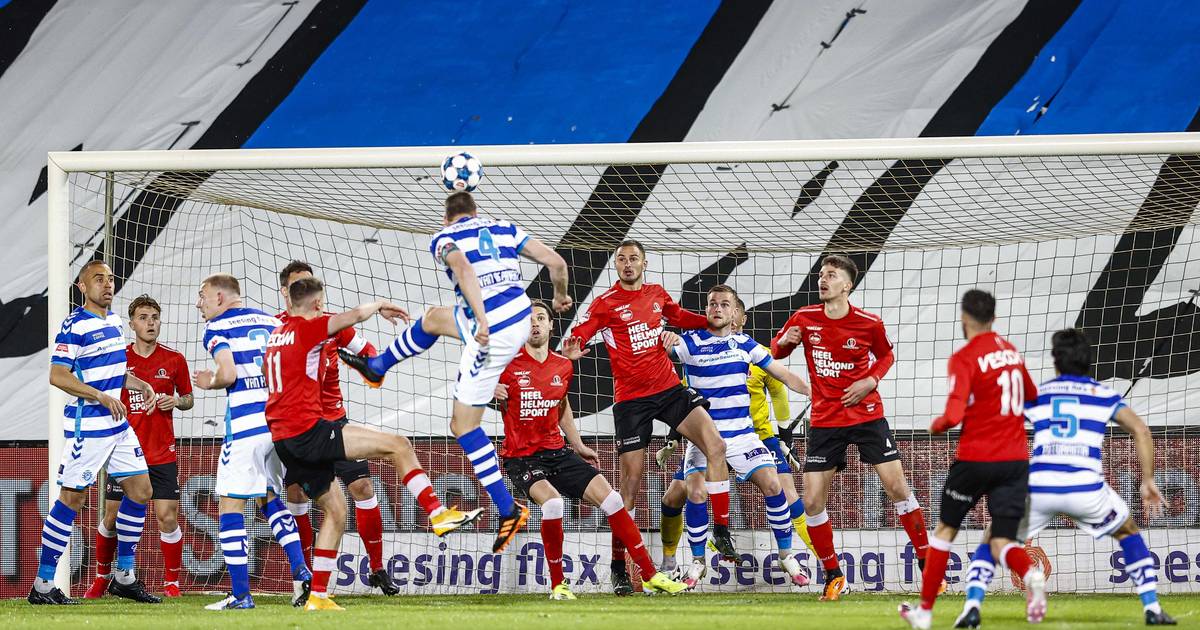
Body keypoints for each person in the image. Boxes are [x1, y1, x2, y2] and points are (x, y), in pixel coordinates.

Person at [340, 191, 569, 553]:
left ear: (446, 217)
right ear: (476, 211)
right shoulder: (504, 228)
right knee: (432, 318)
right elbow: (556, 262)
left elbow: (463, 270)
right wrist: (558, 297)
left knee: (463, 426)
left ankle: (509, 509)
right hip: (518, 315)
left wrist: (481, 318)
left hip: (491, 331)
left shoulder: (444, 238)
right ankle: (377, 366)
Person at [266, 277, 483, 611]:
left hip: (284, 439)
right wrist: (379, 304)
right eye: (321, 305)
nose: (323, 310)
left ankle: (317, 596)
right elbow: (353, 316)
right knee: (398, 445)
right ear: (315, 304)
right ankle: (438, 514)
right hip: (310, 432)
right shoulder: (309, 328)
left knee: (336, 512)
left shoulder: (276, 335)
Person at [952, 329, 1176, 628]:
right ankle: (1152, 608)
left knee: (993, 537)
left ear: (1055, 361)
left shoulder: (1038, 394)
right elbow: (1141, 430)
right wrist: (1147, 480)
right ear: (1088, 361)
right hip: (1086, 489)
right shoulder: (1103, 395)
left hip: (1039, 488)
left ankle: (971, 608)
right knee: (1128, 532)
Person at [560, 239, 732, 595]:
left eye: (633, 258)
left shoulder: (657, 294)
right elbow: (585, 329)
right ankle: (618, 566)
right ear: (616, 265)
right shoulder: (606, 303)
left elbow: (680, 317)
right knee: (630, 486)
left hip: (668, 390)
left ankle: (721, 530)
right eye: (621, 259)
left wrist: (710, 322)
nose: (627, 264)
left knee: (716, 444)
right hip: (631, 402)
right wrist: (574, 342)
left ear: (644, 263)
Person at [494, 300, 686, 599]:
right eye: (528, 319)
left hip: (557, 452)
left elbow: (561, 406)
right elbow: (466, 389)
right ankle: (558, 585)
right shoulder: (505, 365)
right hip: (522, 458)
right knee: (553, 504)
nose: (534, 323)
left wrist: (578, 445)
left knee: (613, 500)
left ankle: (650, 576)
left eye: (541, 318)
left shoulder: (562, 365)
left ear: (551, 325)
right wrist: (487, 389)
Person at [771, 254, 931, 601]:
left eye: (831, 275)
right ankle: (834, 576)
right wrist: (784, 342)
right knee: (812, 501)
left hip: (866, 416)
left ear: (847, 285)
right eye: (821, 274)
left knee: (897, 487)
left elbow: (886, 356)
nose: (823, 280)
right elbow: (776, 353)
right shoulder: (804, 317)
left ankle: (926, 560)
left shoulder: (868, 323)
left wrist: (870, 380)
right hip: (825, 420)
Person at [899, 289, 1045, 629]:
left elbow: (953, 415)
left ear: (964, 318)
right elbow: (1033, 398)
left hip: (976, 458)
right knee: (1001, 539)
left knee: (944, 531)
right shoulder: (1011, 353)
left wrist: (937, 425)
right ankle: (1030, 575)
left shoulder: (964, 357)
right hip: (1014, 461)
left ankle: (925, 612)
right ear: (994, 318)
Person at [660, 285, 813, 589]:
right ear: (706, 310)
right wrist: (662, 337)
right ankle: (697, 562)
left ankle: (787, 555)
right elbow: (655, 354)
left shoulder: (746, 345)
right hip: (704, 438)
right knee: (695, 494)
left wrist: (812, 392)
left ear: (734, 313)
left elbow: (782, 375)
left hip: (743, 436)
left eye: (724, 304)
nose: (717, 308)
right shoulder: (689, 343)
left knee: (773, 484)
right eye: (712, 303)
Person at [32, 260, 161, 605]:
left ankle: (124, 576)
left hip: (117, 425)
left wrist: (140, 383)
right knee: (71, 500)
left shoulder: (115, 322)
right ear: (82, 287)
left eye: (110, 279)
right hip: (87, 428)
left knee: (141, 490)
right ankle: (42, 584)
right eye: (98, 279)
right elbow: (58, 375)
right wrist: (100, 396)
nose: (107, 284)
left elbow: (113, 373)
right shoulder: (74, 325)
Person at [275, 260, 398, 595]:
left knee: (363, 488)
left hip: (333, 423)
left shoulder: (333, 326)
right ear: (286, 292)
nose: (309, 291)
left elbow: (368, 353)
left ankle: (377, 568)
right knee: (297, 496)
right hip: (298, 429)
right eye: (299, 285)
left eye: (312, 284)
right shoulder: (277, 330)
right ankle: (305, 578)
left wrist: (365, 365)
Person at [193, 274, 313, 610]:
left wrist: (210, 381)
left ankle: (241, 595)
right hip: (279, 423)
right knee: (268, 497)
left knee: (229, 506)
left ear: (220, 297)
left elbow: (228, 373)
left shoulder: (216, 327)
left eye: (203, 296)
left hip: (246, 426)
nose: (199, 304)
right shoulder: (272, 322)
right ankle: (301, 568)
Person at [86, 295, 193, 599]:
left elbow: (188, 399)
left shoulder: (174, 359)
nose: (150, 323)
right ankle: (102, 578)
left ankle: (172, 583)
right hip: (124, 452)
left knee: (167, 517)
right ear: (132, 324)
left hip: (161, 452)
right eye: (143, 318)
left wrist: (176, 401)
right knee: (111, 518)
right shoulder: (118, 359)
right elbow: (100, 394)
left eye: (155, 317)